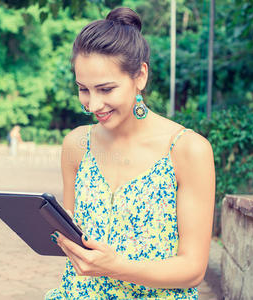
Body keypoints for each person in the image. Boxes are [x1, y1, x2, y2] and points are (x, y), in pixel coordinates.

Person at [45, 7, 215, 300]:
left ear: (140, 76)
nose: (93, 104)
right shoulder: (75, 145)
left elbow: (193, 269)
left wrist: (117, 267)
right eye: (83, 89)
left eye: (106, 89)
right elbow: (72, 236)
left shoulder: (188, 150)